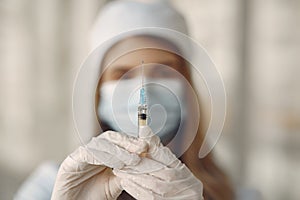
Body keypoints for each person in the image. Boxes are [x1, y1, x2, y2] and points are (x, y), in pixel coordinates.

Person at [15, 0, 234, 199]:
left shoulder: (236, 194)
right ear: (98, 90)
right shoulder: (50, 186)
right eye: (123, 74)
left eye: (163, 71)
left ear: (188, 87)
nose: (144, 89)